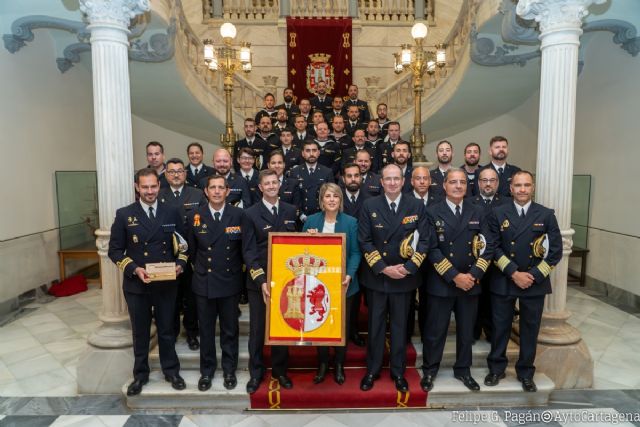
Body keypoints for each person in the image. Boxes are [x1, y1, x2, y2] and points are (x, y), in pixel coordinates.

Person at [108, 168, 187, 396]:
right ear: (137, 187)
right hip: (137, 284)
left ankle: (171, 371)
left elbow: (183, 245)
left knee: (167, 330)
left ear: (159, 186)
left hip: (166, 283)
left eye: (153, 186)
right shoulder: (124, 214)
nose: (150, 191)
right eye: (145, 187)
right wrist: (134, 269)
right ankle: (140, 375)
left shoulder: (171, 212)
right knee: (140, 332)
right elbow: (114, 251)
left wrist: (180, 264)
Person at [485, 171, 562, 392]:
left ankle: (526, 372)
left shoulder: (546, 214)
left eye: (526, 185)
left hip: (534, 281)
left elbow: (555, 251)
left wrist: (535, 275)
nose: (522, 189)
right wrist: (513, 272)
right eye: (518, 185)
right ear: (510, 188)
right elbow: (493, 247)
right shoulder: (498, 213)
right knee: (500, 327)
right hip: (505, 279)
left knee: (530, 328)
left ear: (532, 187)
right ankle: (496, 369)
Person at [420, 168, 494, 392]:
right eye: (453, 182)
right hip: (442, 282)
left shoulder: (478, 211)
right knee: (436, 331)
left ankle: (463, 369)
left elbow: (488, 245)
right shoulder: (432, 212)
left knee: (466, 331)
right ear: (444, 185)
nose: (458, 186)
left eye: (462, 182)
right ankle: (430, 370)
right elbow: (431, 248)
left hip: (470, 283)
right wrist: (455, 276)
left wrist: (473, 275)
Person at [358, 164, 429, 392]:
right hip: (378, 278)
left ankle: (398, 372)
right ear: (381, 182)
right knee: (376, 327)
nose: (392, 183)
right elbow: (365, 241)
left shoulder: (416, 205)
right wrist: (383, 268)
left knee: (399, 328)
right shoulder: (370, 205)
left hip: (405, 278)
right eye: (387, 179)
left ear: (403, 181)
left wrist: (409, 268)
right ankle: (373, 370)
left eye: (396, 178)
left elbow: (425, 241)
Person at [186, 175, 250, 392]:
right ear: (205, 191)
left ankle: (229, 370)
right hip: (204, 282)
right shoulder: (196, 215)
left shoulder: (238, 215)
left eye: (220, 188)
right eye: (212, 187)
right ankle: (207, 371)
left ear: (227, 191)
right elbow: (192, 252)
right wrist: (202, 270)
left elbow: (243, 250)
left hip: (230, 282)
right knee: (205, 330)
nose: (216, 191)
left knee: (229, 330)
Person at [243, 169, 298, 393]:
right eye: (267, 183)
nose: (272, 186)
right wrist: (261, 281)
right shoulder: (249, 214)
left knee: (281, 327)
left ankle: (279, 371)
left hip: (286, 280)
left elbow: (295, 243)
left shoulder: (290, 210)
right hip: (260, 282)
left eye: (275, 182)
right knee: (257, 329)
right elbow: (248, 252)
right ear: (260, 188)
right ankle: (256, 373)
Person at [303, 183, 361, 385]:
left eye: (335, 196)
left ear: (340, 200)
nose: (332, 200)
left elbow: (355, 253)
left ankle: (338, 364)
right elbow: (303, 252)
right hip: (317, 286)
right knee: (320, 325)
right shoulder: (311, 221)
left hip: (344, 285)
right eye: (327, 196)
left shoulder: (351, 222)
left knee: (341, 328)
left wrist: (349, 275)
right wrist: (307, 240)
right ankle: (322, 364)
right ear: (321, 200)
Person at [160, 158, 206, 351]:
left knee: (191, 297)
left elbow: (204, 223)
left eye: (180, 171)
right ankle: (171, 332)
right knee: (170, 297)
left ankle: (192, 332)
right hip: (166, 257)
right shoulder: (158, 195)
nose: (176, 174)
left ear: (186, 174)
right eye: (172, 172)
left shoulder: (197, 194)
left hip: (192, 256)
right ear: (166, 175)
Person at [469, 167, 508, 342]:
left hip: (499, 261)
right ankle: (473, 332)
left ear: (498, 183)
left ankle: (492, 333)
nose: (488, 184)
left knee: (495, 301)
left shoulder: (507, 204)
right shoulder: (469, 203)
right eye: (484, 180)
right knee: (475, 299)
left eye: (492, 180)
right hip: (476, 261)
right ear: (478, 183)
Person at [407, 166, 442, 342]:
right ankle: (406, 333)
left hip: (433, 260)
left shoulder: (439, 201)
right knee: (407, 298)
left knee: (428, 299)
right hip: (409, 258)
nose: (422, 181)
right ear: (412, 181)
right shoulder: (404, 201)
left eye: (425, 178)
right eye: (418, 178)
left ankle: (425, 333)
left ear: (430, 181)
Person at [341, 163, 368, 347]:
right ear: (343, 178)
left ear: (361, 178)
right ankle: (340, 330)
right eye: (349, 176)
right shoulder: (335, 197)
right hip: (342, 256)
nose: (353, 179)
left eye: (356, 176)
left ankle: (354, 330)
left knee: (358, 297)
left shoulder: (371, 199)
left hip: (365, 255)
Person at [289, 140, 335, 221]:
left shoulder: (327, 172)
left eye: (314, 150)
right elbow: (293, 197)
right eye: (308, 151)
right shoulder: (295, 172)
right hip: (300, 218)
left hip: (322, 217)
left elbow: (331, 196)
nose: (311, 154)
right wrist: (300, 215)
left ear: (318, 153)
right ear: (303, 153)